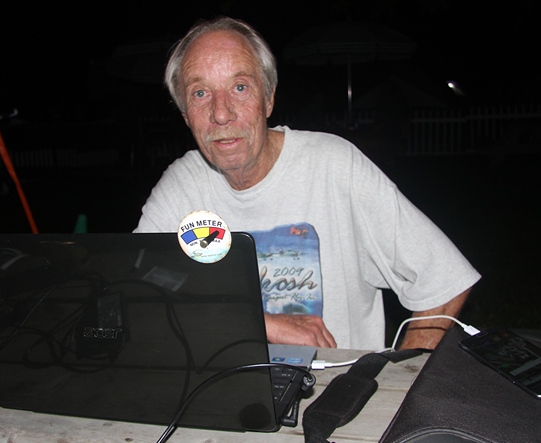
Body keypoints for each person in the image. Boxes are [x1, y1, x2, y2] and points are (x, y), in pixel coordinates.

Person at [133, 17, 480, 350]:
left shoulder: (334, 166)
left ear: (268, 98)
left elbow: (444, 281)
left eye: (240, 87)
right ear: (185, 115)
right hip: (223, 384)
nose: (221, 113)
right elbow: (135, 290)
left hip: (335, 387)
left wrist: (405, 378)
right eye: (200, 93)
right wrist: (261, 322)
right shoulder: (182, 185)